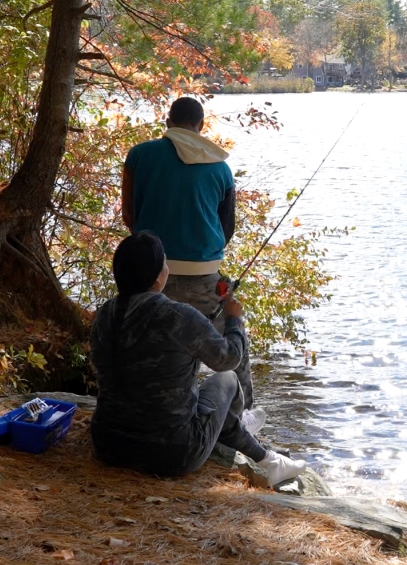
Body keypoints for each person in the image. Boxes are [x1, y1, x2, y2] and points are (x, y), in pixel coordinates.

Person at [89, 232, 306, 484]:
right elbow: (229, 359)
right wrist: (234, 319)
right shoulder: (177, 315)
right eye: (164, 263)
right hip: (172, 453)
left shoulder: (103, 315)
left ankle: (269, 459)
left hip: (108, 444)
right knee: (226, 379)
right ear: (159, 276)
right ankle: (260, 450)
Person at [122, 97, 259, 420]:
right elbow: (227, 228)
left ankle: (140, 409)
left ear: (168, 123)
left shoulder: (139, 155)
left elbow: (130, 215)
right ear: (201, 126)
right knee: (232, 344)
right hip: (205, 276)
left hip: (150, 274)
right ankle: (242, 419)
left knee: (146, 346)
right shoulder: (221, 167)